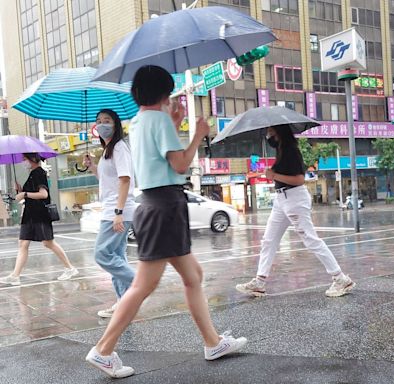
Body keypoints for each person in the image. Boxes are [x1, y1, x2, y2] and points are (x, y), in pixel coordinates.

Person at [85, 65, 246, 379]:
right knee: (143, 285)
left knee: (193, 275)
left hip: (154, 204)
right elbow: (181, 164)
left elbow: (159, 158)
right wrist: (198, 134)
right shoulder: (158, 120)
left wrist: (175, 123)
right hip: (165, 207)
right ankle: (103, 350)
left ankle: (212, 343)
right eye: (170, 92)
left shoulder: (139, 120)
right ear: (164, 92)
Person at [236, 126, 355, 298]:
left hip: (294, 199)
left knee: (310, 239)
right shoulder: (282, 150)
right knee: (269, 240)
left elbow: (299, 179)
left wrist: (274, 176)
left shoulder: (291, 151)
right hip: (281, 199)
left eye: (271, 131)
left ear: (279, 132)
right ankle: (259, 282)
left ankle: (340, 278)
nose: (269, 135)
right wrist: (272, 174)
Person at [83, 109, 136, 318]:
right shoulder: (108, 151)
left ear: (116, 125)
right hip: (112, 208)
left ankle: (139, 284)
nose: (102, 124)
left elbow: (125, 180)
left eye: (107, 121)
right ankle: (124, 304)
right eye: (98, 121)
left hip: (117, 210)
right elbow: (108, 181)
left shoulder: (120, 148)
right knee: (116, 256)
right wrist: (92, 167)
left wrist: (118, 212)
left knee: (102, 254)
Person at [0, 153, 78, 286]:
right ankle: (15, 276)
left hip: (39, 215)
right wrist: (20, 189)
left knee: (48, 243)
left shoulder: (39, 173)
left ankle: (70, 268)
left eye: (25, 159)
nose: (23, 162)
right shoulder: (33, 173)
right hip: (30, 215)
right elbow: (31, 194)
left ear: (33, 159)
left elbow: (43, 194)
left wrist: (24, 193)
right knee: (23, 244)